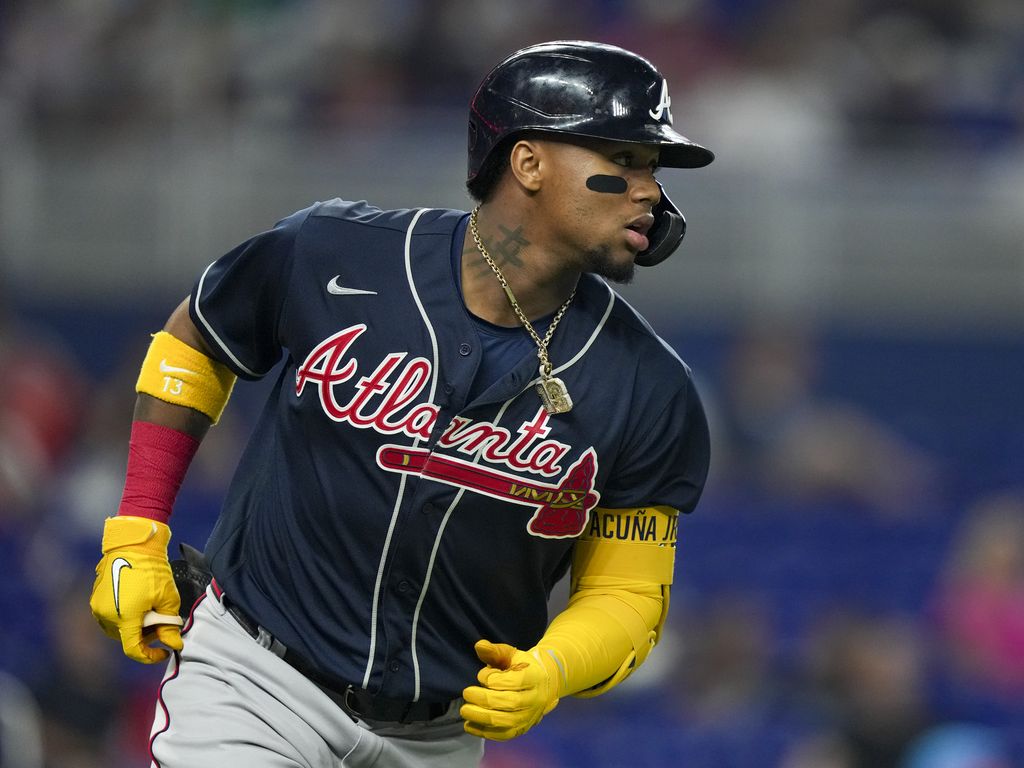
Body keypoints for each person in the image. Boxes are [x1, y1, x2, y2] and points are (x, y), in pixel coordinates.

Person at [88, 40, 714, 767]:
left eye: (653, 169)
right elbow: (197, 339)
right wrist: (135, 527)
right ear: (529, 161)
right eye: (625, 160)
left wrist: (553, 669)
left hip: (438, 737)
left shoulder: (652, 387)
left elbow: (628, 596)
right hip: (257, 682)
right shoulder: (335, 252)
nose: (651, 192)